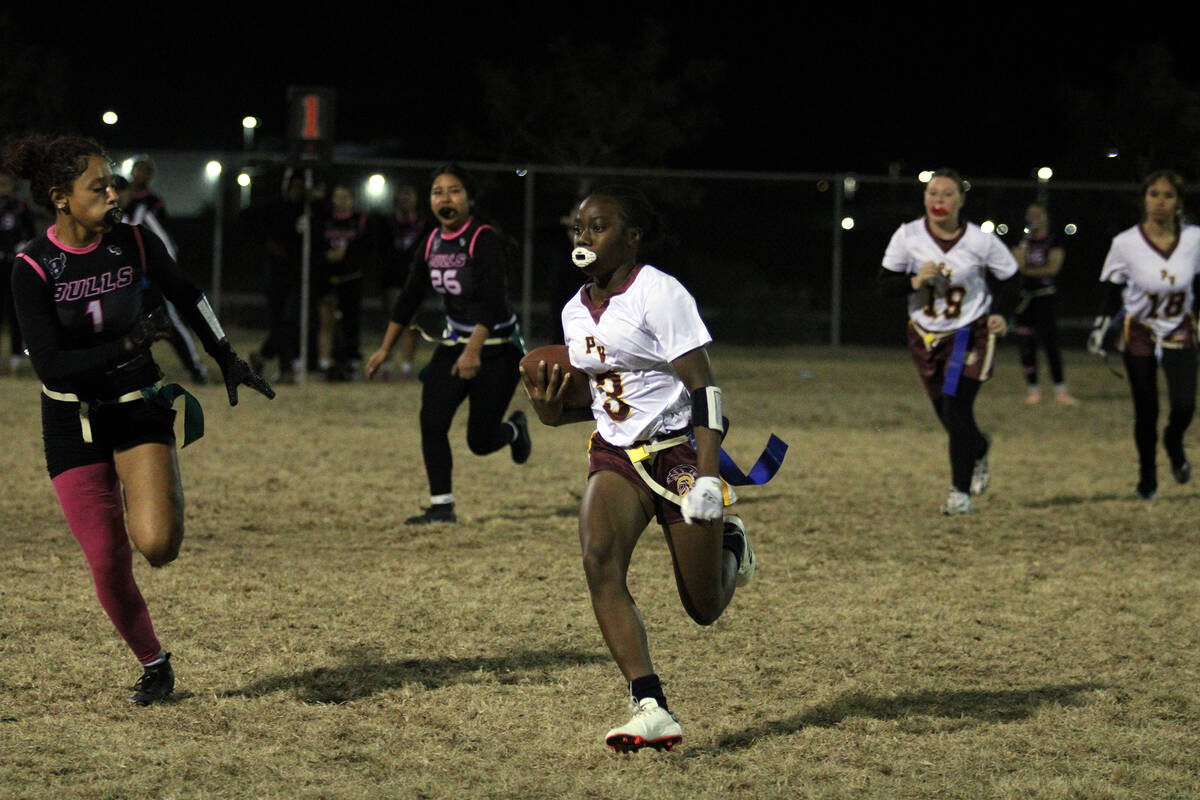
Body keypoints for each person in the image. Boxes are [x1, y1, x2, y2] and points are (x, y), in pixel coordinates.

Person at [3, 134, 274, 705]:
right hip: (71, 420)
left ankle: (147, 487)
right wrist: (126, 342)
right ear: (60, 197)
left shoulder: (134, 242)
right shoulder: (30, 264)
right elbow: (51, 363)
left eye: (113, 183)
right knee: (107, 559)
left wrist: (227, 356)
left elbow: (188, 293)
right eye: (98, 186)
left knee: (156, 545)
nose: (113, 194)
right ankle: (155, 664)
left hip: (136, 407)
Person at [521, 187, 755, 752]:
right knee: (597, 557)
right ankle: (648, 703)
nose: (585, 237)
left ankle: (731, 547)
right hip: (617, 454)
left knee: (701, 607)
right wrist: (551, 410)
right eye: (580, 228)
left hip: (677, 451)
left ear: (632, 236)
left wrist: (705, 476)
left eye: (598, 227)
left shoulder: (660, 293)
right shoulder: (574, 310)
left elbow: (706, 389)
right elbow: (598, 403)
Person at [365, 164, 530, 524]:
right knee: (432, 421)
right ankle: (442, 506)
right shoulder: (431, 242)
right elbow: (409, 298)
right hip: (455, 344)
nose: (445, 198)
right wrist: (384, 349)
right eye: (437, 191)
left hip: (497, 348)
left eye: (454, 190)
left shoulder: (483, 239)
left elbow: (494, 301)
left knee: (480, 441)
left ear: (469, 199)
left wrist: (474, 351)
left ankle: (515, 428)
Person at [878, 168, 1018, 515]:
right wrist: (914, 281)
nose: (938, 200)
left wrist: (1002, 313)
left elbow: (1012, 279)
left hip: (969, 331)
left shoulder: (979, 240)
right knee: (948, 414)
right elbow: (883, 286)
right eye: (932, 194)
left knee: (957, 406)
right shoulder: (908, 235)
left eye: (946, 194)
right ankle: (980, 447)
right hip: (925, 336)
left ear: (961, 200)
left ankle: (959, 494)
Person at [1088, 170, 1200, 500]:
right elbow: (1112, 290)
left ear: (1179, 202)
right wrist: (1100, 326)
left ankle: (1174, 442)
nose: (1160, 202)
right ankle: (1147, 479)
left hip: (1179, 328)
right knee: (1146, 409)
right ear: (1143, 199)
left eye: (1168, 195)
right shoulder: (1125, 243)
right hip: (1141, 331)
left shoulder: (1193, 239)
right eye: (1154, 194)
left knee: (1184, 406)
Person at [111, 175, 209, 385]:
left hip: (150, 283)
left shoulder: (141, 214)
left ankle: (196, 369)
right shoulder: (106, 220)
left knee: (170, 324)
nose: (116, 197)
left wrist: (161, 274)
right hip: (125, 286)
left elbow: (167, 246)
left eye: (121, 192)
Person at [1012, 202, 1077, 405]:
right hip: (1025, 299)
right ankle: (1033, 389)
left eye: (1037, 215)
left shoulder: (1054, 240)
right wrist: (1024, 251)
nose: (1033, 219)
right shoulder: (1022, 240)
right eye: (1030, 215)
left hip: (1045, 296)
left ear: (1045, 217)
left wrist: (1029, 271)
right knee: (1026, 344)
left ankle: (1060, 390)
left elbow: (1053, 267)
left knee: (1050, 344)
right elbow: (1017, 265)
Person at [316, 183, 373, 381]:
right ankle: (323, 363)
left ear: (352, 200)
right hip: (328, 278)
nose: (340, 201)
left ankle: (351, 361)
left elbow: (365, 247)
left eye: (345, 197)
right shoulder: (324, 220)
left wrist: (347, 255)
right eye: (337, 196)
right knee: (326, 320)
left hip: (351, 278)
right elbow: (317, 244)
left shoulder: (360, 221)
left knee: (351, 321)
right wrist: (328, 255)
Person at [375, 182, 427, 381]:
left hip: (414, 278)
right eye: (402, 195)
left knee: (411, 322)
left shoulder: (423, 223)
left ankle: (406, 366)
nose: (406, 199)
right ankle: (386, 364)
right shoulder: (387, 222)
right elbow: (382, 250)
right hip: (392, 279)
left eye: (410, 195)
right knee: (392, 320)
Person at [0, 166, 36, 374]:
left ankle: (15, 358)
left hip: (13, 266)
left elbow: (31, 236)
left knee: (14, 312)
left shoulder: (21, 207)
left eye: (5, 182)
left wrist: (19, 248)